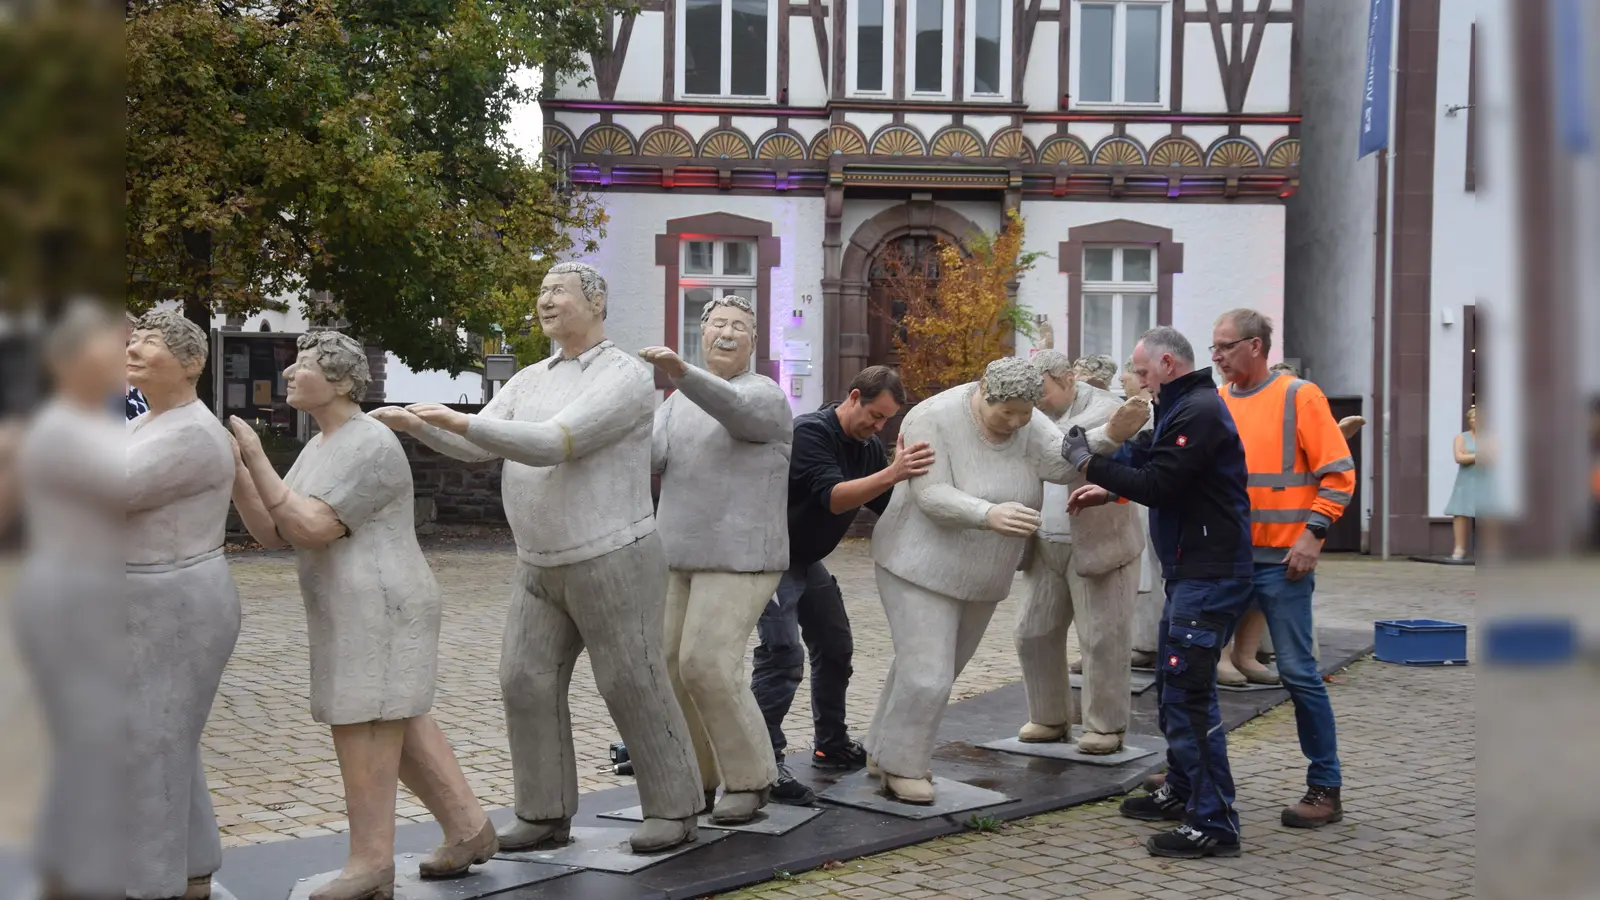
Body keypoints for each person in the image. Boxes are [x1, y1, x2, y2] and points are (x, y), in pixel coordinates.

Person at [373, 262, 704, 854]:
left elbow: (556, 442)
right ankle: (544, 811)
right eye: (542, 292)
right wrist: (414, 424)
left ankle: (675, 808)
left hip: (612, 555)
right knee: (523, 680)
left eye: (559, 291)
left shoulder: (625, 376)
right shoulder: (528, 378)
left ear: (596, 301)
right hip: (538, 561)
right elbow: (476, 445)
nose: (546, 301)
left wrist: (464, 421)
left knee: (632, 680)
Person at [232, 332, 497, 897]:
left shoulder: (369, 442)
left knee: (366, 722)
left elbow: (311, 527)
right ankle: (470, 829)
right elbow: (274, 534)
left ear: (342, 381)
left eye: (301, 366)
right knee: (394, 719)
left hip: (383, 602)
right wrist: (238, 470)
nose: (288, 375)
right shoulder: (322, 445)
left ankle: (371, 864)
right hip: (350, 602)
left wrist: (255, 456)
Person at [1063, 326, 1253, 859]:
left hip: (1209, 574)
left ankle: (1214, 823)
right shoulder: (1179, 406)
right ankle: (1183, 790)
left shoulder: (1198, 411)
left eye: (1143, 373)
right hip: (1195, 571)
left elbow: (1159, 484)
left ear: (1168, 363)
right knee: (1173, 690)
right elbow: (1145, 462)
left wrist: (1086, 463)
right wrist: (1106, 479)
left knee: (1190, 697)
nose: (1138, 382)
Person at [865, 357, 1082, 804]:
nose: (1019, 422)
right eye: (1009, 413)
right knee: (928, 674)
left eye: (1026, 413)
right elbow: (930, 494)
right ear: (985, 391)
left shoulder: (1028, 419)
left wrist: (1112, 435)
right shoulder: (933, 417)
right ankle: (902, 766)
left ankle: (881, 747)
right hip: (917, 563)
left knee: (927, 667)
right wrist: (988, 513)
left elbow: (1060, 463)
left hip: (982, 573)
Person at [639, 295, 791, 824]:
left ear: (754, 340)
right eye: (717, 325)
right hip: (677, 552)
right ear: (700, 334)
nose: (726, 334)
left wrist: (681, 373)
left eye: (739, 327)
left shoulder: (765, 394)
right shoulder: (676, 403)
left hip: (740, 556)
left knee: (706, 664)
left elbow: (737, 414)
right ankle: (697, 777)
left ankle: (751, 778)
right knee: (669, 669)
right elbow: (650, 456)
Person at [751, 365, 933, 805]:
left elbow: (889, 504)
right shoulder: (810, 433)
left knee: (835, 647)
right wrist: (894, 472)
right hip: (770, 558)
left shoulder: (867, 446)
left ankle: (830, 746)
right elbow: (833, 496)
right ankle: (760, 763)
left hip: (807, 560)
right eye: (874, 414)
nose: (878, 426)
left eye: (887, 420)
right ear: (853, 397)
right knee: (782, 657)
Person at [9, 304, 133, 899]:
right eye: (111, 347)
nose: (122, 357)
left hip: (86, 593)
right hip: (70, 598)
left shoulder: (89, 423)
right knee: (87, 739)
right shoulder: (63, 426)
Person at [1209, 309, 1350, 830]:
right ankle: (1188, 772)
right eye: (1213, 348)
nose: (1217, 356)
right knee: (1194, 663)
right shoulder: (1219, 401)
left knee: (1298, 673)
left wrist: (1313, 536)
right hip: (1229, 562)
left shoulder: (1299, 396)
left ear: (1255, 346)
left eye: (1224, 347)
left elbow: (1338, 475)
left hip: (1284, 563)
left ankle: (1326, 788)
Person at [125, 309, 243, 898]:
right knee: (164, 736)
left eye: (151, 342)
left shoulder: (192, 434)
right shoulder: (148, 423)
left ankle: (152, 885)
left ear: (192, 363)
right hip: (147, 595)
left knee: (151, 743)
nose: (135, 347)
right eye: (135, 338)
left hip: (177, 599)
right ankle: (194, 864)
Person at [1014, 351, 1150, 754]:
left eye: (1044, 390)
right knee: (1032, 633)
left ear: (1068, 378)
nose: (1037, 400)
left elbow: (1068, 447)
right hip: (1046, 544)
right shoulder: (1029, 415)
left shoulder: (1110, 409)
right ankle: (1049, 717)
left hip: (1100, 546)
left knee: (1102, 638)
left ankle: (1105, 726)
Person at [1443, 405, 1481, 560]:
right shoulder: (1461, 437)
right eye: (1472, 418)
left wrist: (1471, 455)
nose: (1475, 421)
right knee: (1460, 512)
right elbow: (1459, 458)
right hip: (1465, 480)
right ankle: (1459, 547)